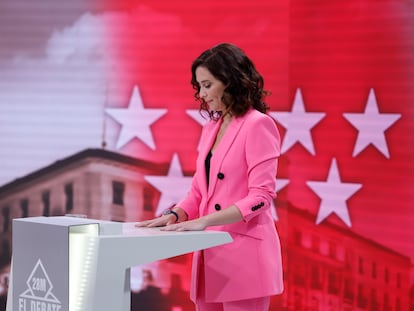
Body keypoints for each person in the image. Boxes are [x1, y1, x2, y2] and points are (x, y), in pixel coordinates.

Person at [136, 43, 284, 311]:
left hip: (245, 257)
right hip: (209, 253)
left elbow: (261, 197)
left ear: (229, 82)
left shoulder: (258, 124)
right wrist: (175, 215)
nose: (202, 95)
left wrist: (203, 221)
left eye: (207, 85)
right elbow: (198, 191)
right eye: (199, 86)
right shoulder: (211, 126)